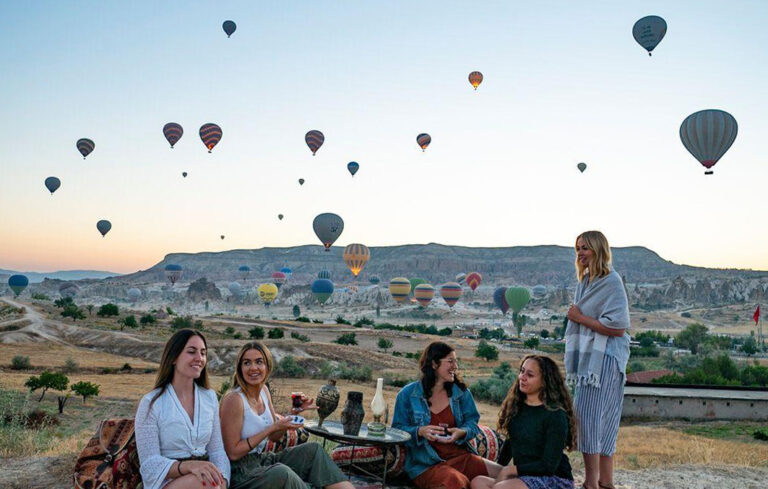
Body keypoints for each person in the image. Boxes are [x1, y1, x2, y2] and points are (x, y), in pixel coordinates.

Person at [219, 341, 353, 489]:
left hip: (260, 460)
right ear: (240, 368)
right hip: (238, 472)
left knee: (313, 451)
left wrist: (292, 414)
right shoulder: (234, 399)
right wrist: (270, 428)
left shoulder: (264, 391)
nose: (253, 368)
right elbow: (232, 453)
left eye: (259, 362)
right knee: (282, 474)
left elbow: (274, 437)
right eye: (247, 363)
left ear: (267, 366)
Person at [565, 231, 631, 489]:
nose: (580, 253)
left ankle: (592, 482)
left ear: (598, 250)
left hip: (605, 358)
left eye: (585, 248)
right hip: (591, 359)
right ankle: (605, 482)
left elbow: (618, 327)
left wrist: (579, 318)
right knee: (597, 417)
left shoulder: (611, 280)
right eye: (578, 248)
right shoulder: (585, 282)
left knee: (591, 418)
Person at [392, 341, 502, 489]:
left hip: (460, 457)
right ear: (434, 364)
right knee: (456, 481)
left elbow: (472, 424)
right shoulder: (407, 394)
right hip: (427, 465)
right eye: (450, 361)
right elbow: (397, 430)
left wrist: (462, 432)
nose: (455, 366)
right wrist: (420, 431)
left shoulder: (461, 393)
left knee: (505, 474)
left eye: (456, 361)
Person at [135, 329, 230, 489]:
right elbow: (149, 464)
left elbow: (217, 451)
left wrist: (223, 482)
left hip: (207, 480)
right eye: (191, 352)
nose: (199, 358)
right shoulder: (152, 403)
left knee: (209, 483)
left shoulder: (210, 398)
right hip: (167, 481)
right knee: (205, 482)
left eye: (203, 353)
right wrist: (188, 466)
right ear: (173, 357)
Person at [471, 355, 576, 489]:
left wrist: (509, 471)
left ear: (545, 381)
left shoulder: (555, 415)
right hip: (523, 475)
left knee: (501, 488)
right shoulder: (517, 407)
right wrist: (501, 470)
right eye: (522, 371)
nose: (522, 377)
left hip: (553, 478)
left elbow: (548, 466)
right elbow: (511, 444)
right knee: (478, 482)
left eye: (530, 375)